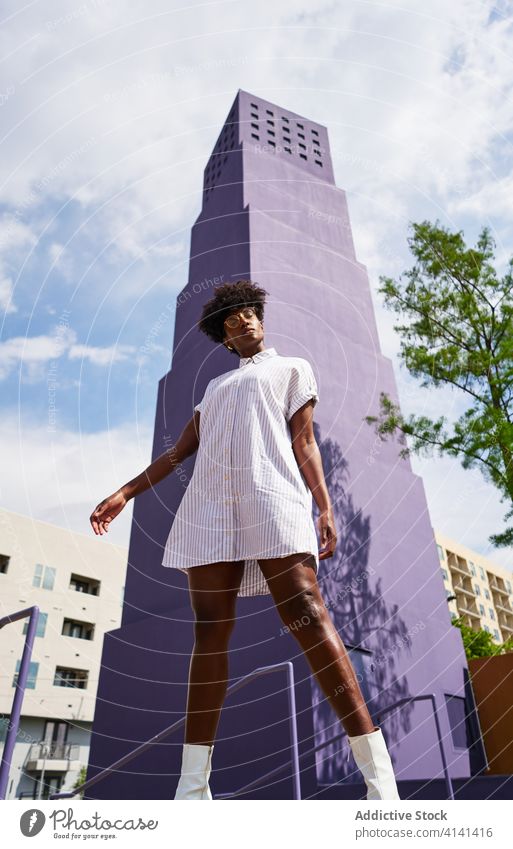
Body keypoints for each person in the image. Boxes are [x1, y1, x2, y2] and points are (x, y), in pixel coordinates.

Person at [89, 279, 401, 801]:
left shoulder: (292, 368)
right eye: (231, 320)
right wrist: (125, 492)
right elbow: (176, 454)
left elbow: (304, 440)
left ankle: (379, 779)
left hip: (273, 499)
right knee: (210, 630)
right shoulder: (215, 389)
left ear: (260, 317)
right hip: (210, 511)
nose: (243, 321)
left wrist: (324, 507)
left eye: (248, 312)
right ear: (225, 337)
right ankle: (192, 790)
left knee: (307, 612)